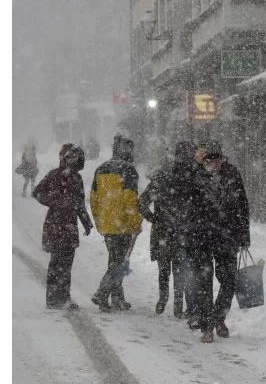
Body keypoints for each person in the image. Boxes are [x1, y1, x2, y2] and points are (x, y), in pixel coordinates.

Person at [188, 140, 250, 344]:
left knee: (229, 281)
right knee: (204, 284)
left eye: (217, 160)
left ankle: (218, 318)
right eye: (209, 161)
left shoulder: (232, 175)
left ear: (223, 159)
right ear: (204, 161)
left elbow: (242, 205)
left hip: (227, 236)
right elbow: (189, 208)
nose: (214, 164)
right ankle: (207, 327)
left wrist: (244, 235)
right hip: (202, 237)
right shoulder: (196, 178)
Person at [32, 144, 92, 309]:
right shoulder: (53, 175)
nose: (73, 160)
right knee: (57, 263)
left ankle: (62, 298)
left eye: (76, 158)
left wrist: (86, 222)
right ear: (64, 158)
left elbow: (79, 203)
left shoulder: (76, 178)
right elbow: (37, 192)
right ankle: (54, 299)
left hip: (68, 225)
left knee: (65, 264)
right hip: (56, 224)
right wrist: (57, 201)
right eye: (71, 157)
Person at [139, 142, 195, 317]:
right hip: (181, 233)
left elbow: (142, 202)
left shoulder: (161, 178)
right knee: (180, 271)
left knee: (164, 270)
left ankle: (163, 300)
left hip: (163, 231)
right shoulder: (190, 179)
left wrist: (153, 218)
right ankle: (178, 306)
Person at [90, 134, 142, 312]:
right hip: (123, 224)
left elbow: (94, 199)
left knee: (115, 259)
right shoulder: (129, 170)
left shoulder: (101, 169)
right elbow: (130, 199)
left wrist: (98, 221)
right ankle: (102, 293)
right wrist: (135, 223)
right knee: (118, 263)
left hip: (107, 223)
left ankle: (118, 297)